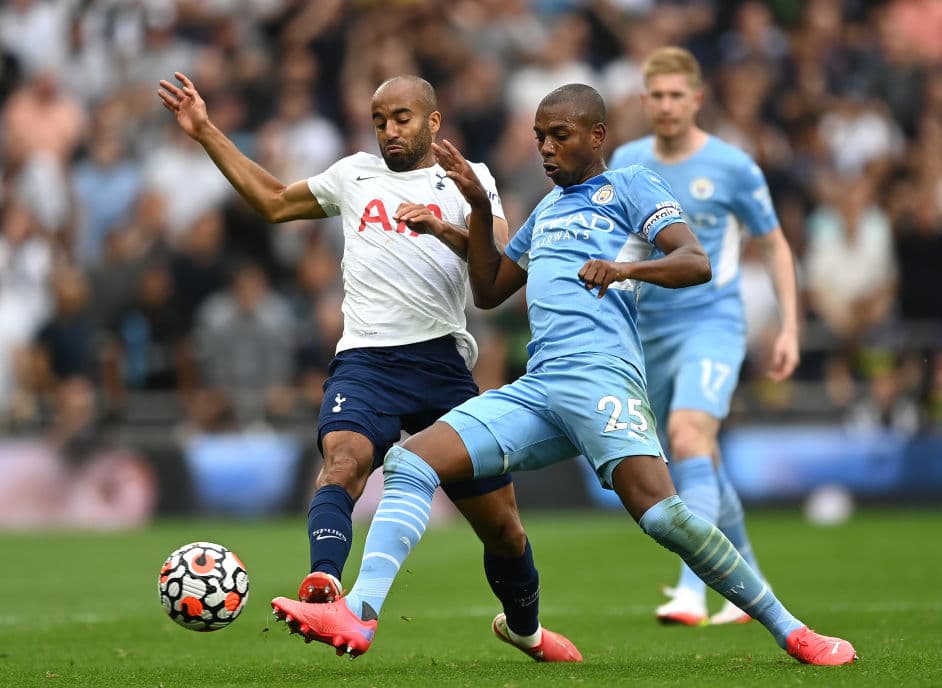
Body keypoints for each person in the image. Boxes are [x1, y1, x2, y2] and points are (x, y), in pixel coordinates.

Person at [270, 83, 857, 666]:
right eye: (539, 138)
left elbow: (694, 261)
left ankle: (793, 631)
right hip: (539, 387)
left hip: (603, 380)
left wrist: (625, 270)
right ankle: (360, 612)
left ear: (596, 136)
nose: (546, 149)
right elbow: (490, 288)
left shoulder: (630, 186)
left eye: (559, 136)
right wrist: (472, 212)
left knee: (663, 517)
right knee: (409, 462)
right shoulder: (546, 211)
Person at [157, 72, 581, 662]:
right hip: (366, 361)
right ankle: (325, 585)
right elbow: (273, 201)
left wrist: (451, 224)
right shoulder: (352, 174)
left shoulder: (470, 178)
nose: (389, 131)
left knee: (503, 527)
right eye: (380, 121)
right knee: (342, 464)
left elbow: (497, 271)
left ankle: (526, 631)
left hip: (442, 365)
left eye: (402, 118)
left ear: (433, 121)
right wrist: (206, 132)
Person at [608, 46, 801, 626]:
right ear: (644, 101)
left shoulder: (732, 166)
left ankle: (691, 589)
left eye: (676, 95)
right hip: (649, 331)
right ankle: (751, 582)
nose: (667, 106)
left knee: (688, 436)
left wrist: (790, 327)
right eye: (657, 96)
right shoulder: (627, 161)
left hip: (712, 323)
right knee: (701, 458)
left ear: (696, 99)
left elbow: (776, 244)